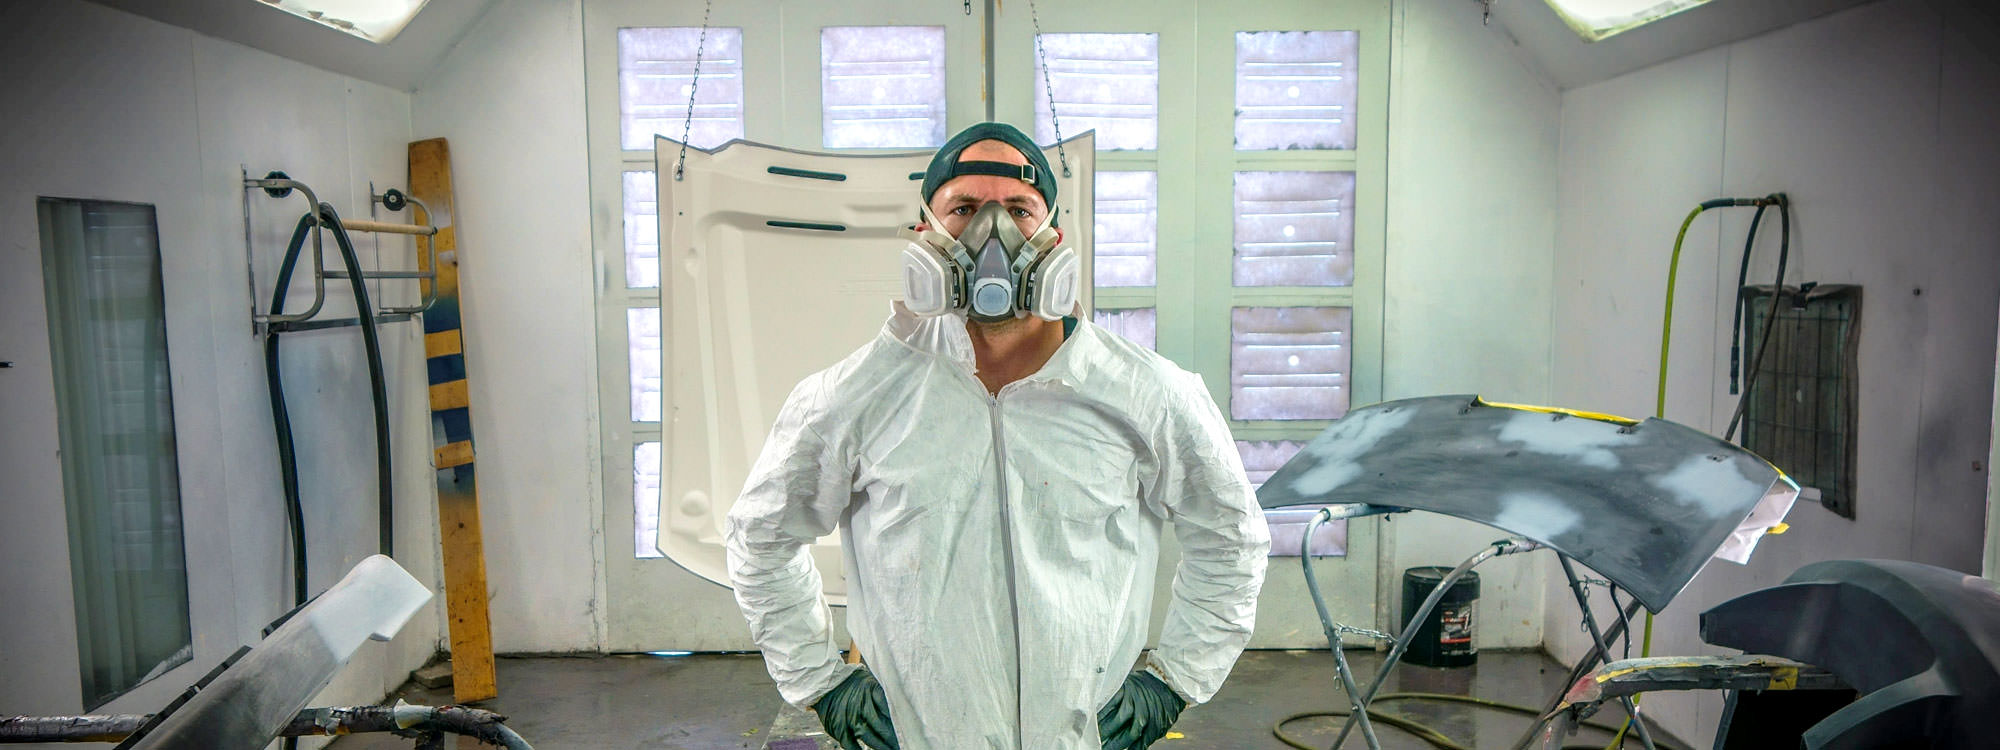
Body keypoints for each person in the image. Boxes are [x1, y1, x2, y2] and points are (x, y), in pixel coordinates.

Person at [724, 122, 1270, 750]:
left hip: (1079, 738)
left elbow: (1231, 537)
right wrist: (823, 684)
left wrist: (1174, 682)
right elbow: (761, 537)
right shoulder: (855, 396)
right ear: (925, 231)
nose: (992, 234)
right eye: (964, 209)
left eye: (1018, 209)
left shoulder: (1147, 392)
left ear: (1052, 237)